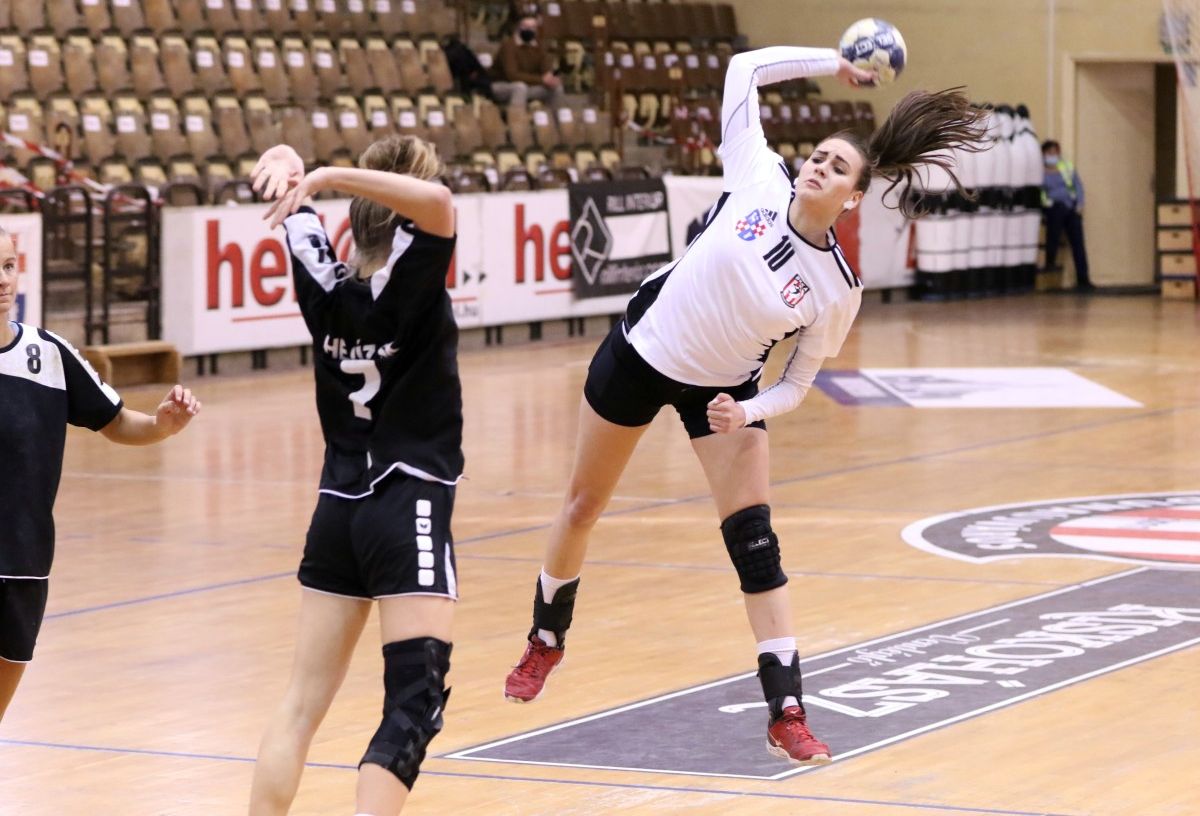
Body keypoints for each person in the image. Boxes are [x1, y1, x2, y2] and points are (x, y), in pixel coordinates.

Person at [502, 46, 986, 766]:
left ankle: (787, 711)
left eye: (836, 168)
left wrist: (749, 412)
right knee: (582, 506)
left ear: (853, 197)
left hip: (722, 394)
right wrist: (832, 62)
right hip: (641, 353)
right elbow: (742, 70)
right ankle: (546, 637)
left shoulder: (837, 288)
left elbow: (798, 382)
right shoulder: (759, 174)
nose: (818, 167)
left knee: (757, 547)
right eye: (817, 156)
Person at [246, 134, 460, 816]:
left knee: (300, 704)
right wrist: (328, 173)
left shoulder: (325, 281)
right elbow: (439, 202)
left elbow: (297, 211)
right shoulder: (415, 277)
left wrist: (292, 165)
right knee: (415, 703)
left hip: (337, 509)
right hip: (408, 501)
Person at [0, 226, 200, 721]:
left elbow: (116, 421)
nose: (2, 279)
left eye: (8, 266)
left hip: (24, 562)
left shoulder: (48, 354)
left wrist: (161, 425)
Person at [1041, 139, 1092, 290]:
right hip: (1052, 207)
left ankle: (1083, 279)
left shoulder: (1066, 167)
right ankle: (1050, 261)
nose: (1053, 155)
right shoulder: (1039, 172)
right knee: (1057, 217)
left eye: (1056, 152)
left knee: (1078, 242)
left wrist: (1079, 204)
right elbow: (1040, 193)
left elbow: (1078, 186)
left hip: (1071, 207)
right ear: (1043, 154)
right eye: (1050, 152)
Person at [491, 13, 564, 110]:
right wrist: (541, 80)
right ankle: (516, 117)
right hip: (502, 85)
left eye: (533, 27)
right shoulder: (509, 46)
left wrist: (551, 77)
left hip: (529, 85)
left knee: (556, 88)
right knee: (520, 87)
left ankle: (555, 118)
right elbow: (512, 75)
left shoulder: (539, 45)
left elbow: (545, 67)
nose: (529, 30)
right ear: (518, 28)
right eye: (525, 26)